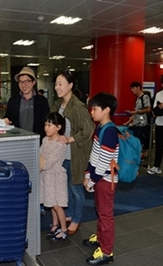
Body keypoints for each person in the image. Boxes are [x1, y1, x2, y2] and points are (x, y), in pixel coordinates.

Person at [51, 70, 95, 235]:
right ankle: (68, 214)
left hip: (76, 154)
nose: (57, 87)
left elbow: (89, 129)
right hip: (63, 154)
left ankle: (76, 219)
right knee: (66, 186)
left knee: (76, 188)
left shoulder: (77, 107)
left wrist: (70, 139)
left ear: (70, 85)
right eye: (56, 84)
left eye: (60, 84)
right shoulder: (58, 105)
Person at [82, 92, 119, 265]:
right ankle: (101, 238)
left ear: (106, 110)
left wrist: (92, 179)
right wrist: (88, 173)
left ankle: (107, 251)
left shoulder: (110, 131)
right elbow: (95, 154)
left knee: (105, 214)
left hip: (106, 180)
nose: (92, 112)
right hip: (99, 178)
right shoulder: (100, 127)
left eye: (95, 109)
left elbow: (104, 162)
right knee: (100, 210)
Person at [40, 112, 68, 241]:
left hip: (56, 177)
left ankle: (63, 229)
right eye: (45, 124)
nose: (46, 128)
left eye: (50, 125)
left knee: (57, 205)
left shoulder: (61, 143)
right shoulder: (45, 139)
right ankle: (55, 225)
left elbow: (47, 162)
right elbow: (41, 155)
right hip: (46, 177)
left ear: (58, 127)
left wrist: (40, 161)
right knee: (50, 203)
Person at [3, 66, 49, 141]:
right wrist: (5, 120)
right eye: (20, 82)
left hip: (37, 141)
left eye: (26, 82)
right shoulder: (13, 100)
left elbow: (46, 122)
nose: (23, 85)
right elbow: (7, 117)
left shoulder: (42, 101)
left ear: (33, 82)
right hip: (17, 141)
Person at [124, 81, 151, 157]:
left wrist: (136, 111)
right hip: (136, 123)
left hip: (142, 123)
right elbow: (135, 113)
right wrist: (128, 122)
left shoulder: (145, 97)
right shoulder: (137, 99)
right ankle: (138, 156)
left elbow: (148, 109)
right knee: (136, 140)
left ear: (138, 87)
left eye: (133, 88)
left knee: (140, 141)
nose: (132, 90)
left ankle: (141, 156)